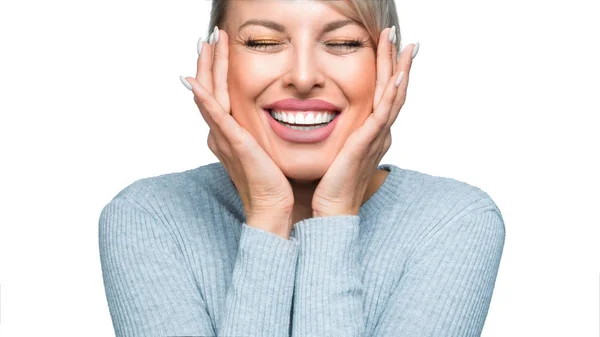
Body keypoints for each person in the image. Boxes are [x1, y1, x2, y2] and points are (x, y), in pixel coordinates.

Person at [98, 0, 506, 336]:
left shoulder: (453, 221)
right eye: (263, 41)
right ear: (215, 61)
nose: (304, 77)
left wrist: (335, 216)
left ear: (390, 67)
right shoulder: (148, 218)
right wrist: (267, 215)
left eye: (344, 42)